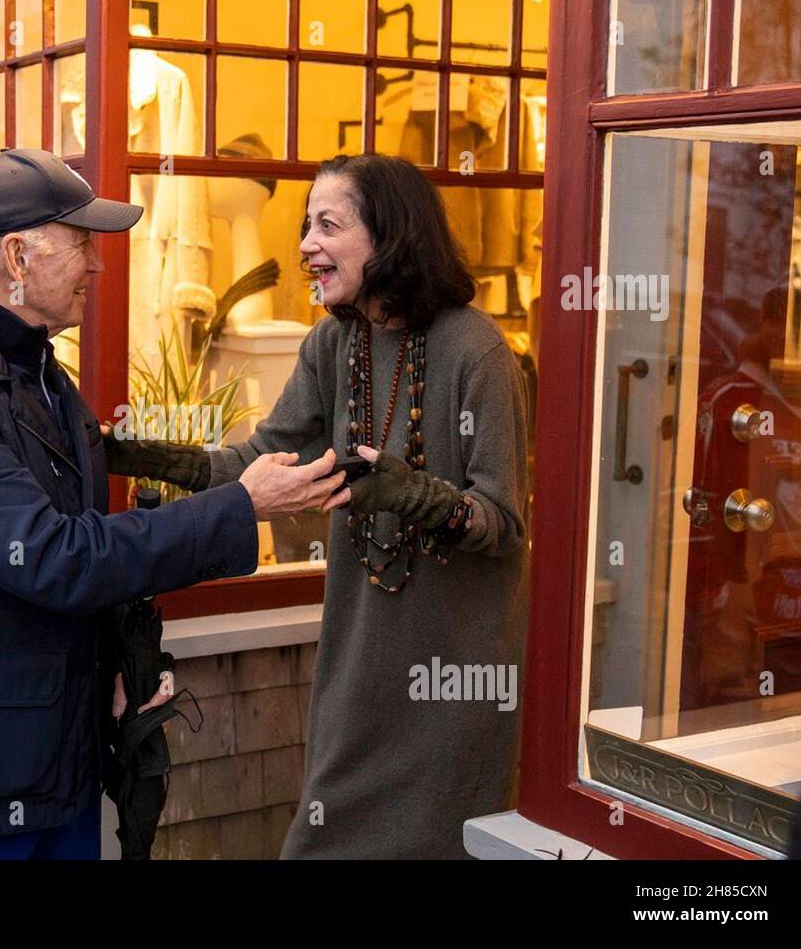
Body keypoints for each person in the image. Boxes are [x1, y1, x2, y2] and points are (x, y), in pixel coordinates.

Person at [0, 148, 345, 860]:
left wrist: (115, 667)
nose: (98, 265)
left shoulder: (39, 372)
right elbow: (55, 557)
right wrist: (239, 506)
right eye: (82, 243)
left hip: (59, 762)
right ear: (17, 257)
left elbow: (75, 547)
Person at [109, 154, 531, 857]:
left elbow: (504, 523)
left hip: (455, 687)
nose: (305, 244)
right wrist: (147, 455)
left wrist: (420, 497)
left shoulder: (478, 351)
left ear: (390, 236)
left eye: (326, 225)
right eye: (307, 224)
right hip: (356, 675)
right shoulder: (334, 344)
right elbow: (255, 462)